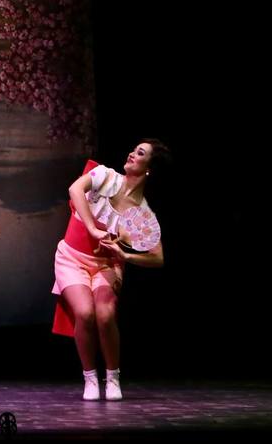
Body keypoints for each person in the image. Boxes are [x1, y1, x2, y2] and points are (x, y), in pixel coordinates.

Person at [52, 139, 169, 401]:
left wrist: (125, 254)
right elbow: (75, 189)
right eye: (134, 149)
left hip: (106, 265)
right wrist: (93, 228)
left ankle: (113, 376)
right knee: (84, 312)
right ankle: (90, 377)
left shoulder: (142, 214)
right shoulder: (105, 176)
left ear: (149, 168)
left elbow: (157, 257)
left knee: (105, 315)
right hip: (72, 258)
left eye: (140, 153)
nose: (131, 153)